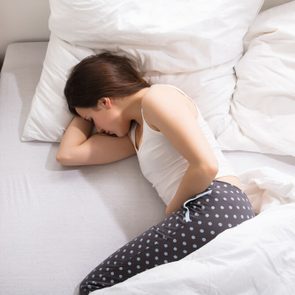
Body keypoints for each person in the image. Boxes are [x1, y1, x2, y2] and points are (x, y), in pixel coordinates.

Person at [56, 52, 255, 294]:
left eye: (91, 119)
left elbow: (205, 166)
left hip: (214, 203)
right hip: (207, 211)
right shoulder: (133, 134)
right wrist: (82, 110)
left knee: (96, 286)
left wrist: (173, 210)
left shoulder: (158, 98)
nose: (97, 128)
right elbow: (68, 154)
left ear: (105, 101)